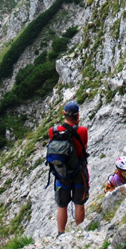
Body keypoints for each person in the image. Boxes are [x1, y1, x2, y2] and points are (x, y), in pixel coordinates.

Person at [47, 100, 89, 235]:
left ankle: (61, 233)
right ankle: (79, 232)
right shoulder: (82, 131)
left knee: (62, 205)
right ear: (78, 115)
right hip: (78, 172)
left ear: (63, 114)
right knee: (79, 203)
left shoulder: (52, 131)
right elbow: (84, 148)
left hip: (62, 174)